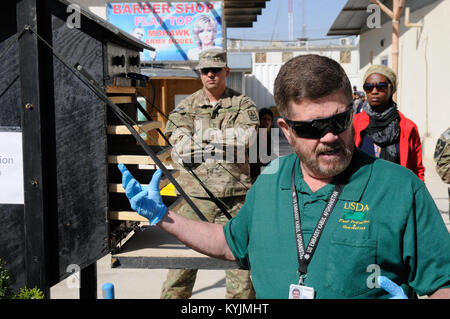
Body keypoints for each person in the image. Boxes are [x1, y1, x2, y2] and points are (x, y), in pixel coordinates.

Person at [118, 54, 450, 299]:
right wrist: (163, 218)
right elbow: (229, 242)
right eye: (311, 128)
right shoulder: (269, 182)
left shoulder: (400, 189)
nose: (330, 136)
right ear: (286, 131)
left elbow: (442, 283)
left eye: (340, 121)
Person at [158, 49, 258, 299]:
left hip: (235, 201)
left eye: (216, 69)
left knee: (241, 275)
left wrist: (201, 136)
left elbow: (245, 138)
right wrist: (222, 139)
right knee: (179, 273)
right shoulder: (186, 106)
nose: (210, 74)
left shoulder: (243, 104)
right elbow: (179, 145)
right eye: (205, 70)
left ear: (227, 71)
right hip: (195, 200)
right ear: (200, 73)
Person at [353, 64, 425, 181]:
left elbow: (417, 169)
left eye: (381, 86)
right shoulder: (354, 124)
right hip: (362, 195)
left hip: (397, 192)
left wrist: (417, 196)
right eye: (369, 87)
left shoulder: (408, 127)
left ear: (391, 89)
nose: (374, 91)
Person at [250, 108, 274, 179]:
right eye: (264, 119)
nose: (266, 122)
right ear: (259, 120)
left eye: (269, 119)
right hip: (252, 172)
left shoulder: (269, 136)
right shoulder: (253, 134)